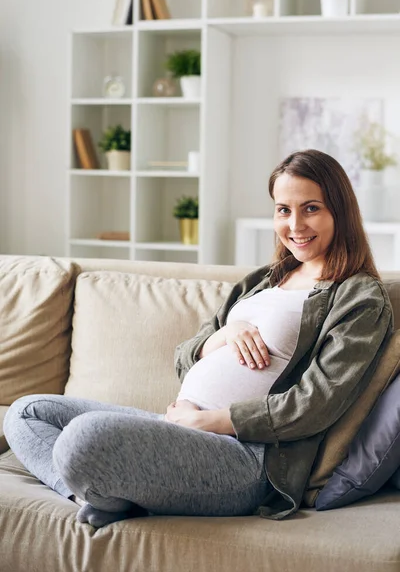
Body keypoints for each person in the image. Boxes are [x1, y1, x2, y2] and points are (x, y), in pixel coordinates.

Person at [4, 149, 393, 528]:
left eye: (311, 208)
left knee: (84, 440)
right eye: (283, 210)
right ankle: (92, 496)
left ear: (339, 211)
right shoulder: (263, 280)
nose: (295, 225)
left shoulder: (358, 296)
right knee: (26, 412)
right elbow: (184, 357)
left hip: (246, 458)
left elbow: (317, 403)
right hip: (178, 425)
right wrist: (225, 334)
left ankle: (108, 486)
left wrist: (213, 422)